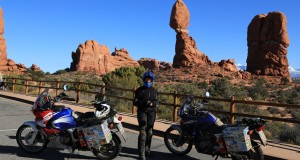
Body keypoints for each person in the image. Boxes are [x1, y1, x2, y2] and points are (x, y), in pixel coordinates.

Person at [133, 70, 158, 160]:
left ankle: (147, 150)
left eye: (149, 80)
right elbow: (135, 103)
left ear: (152, 80)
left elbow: (157, 102)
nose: (148, 81)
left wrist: (152, 103)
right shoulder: (139, 90)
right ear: (144, 80)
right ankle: (141, 153)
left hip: (152, 112)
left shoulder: (154, 90)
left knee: (150, 131)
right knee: (143, 132)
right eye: (147, 79)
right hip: (142, 112)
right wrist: (144, 102)